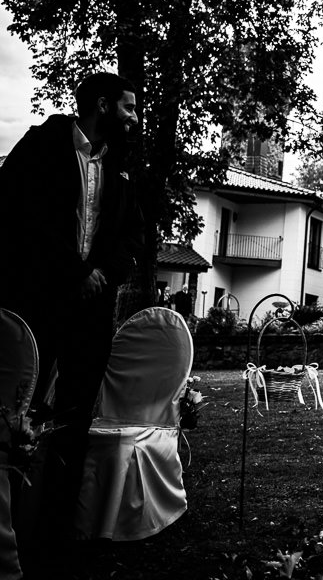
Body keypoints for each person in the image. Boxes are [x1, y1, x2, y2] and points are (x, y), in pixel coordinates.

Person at [0, 71, 142, 577]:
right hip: (40, 302)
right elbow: (20, 215)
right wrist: (73, 272)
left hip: (92, 310)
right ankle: (8, 525)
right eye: (127, 108)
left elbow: (132, 232)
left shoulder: (123, 163)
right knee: (23, 411)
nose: (133, 117)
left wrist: (104, 273)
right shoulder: (43, 145)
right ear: (102, 106)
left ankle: (56, 534)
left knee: (76, 418)